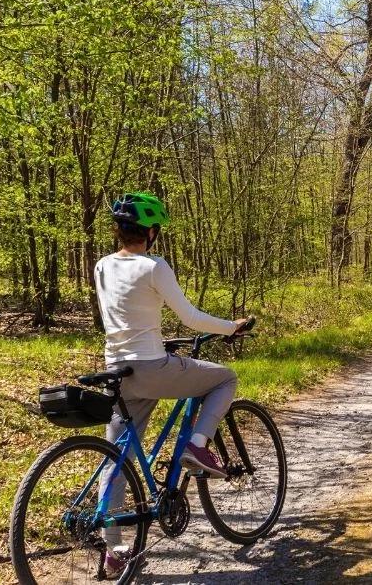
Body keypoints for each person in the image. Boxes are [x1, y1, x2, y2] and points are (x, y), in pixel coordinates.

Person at [95, 192, 251, 571]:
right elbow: (190, 317)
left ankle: (112, 550)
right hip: (152, 368)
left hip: (116, 370)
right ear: (150, 232)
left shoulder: (101, 266)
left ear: (119, 230)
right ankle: (196, 446)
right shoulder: (154, 266)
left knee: (117, 458)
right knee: (224, 378)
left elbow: (125, 317)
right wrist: (231, 327)